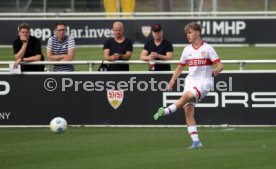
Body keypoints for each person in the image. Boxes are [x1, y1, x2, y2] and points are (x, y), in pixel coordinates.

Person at [153, 22, 224, 149]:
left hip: (204, 82)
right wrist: (172, 80)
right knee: (188, 111)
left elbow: (220, 65)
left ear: (197, 32)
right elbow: (180, 67)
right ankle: (196, 142)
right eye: (187, 34)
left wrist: (217, 70)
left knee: (186, 96)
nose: (188, 35)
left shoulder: (208, 48)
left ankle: (166, 111)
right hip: (190, 81)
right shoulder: (187, 50)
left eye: (190, 33)